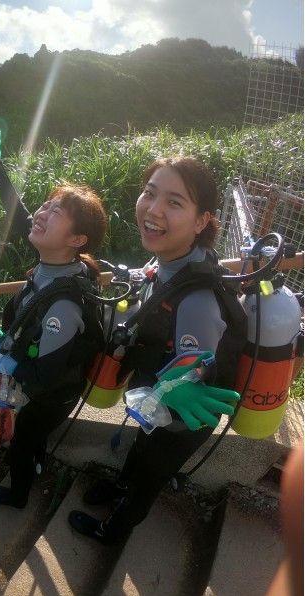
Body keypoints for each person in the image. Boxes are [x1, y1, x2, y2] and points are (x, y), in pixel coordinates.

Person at [68, 156, 243, 544]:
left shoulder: (198, 299)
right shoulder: (170, 259)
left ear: (201, 222)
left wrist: (182, 384)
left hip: (185, 415)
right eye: (150, 193)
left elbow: (198, 372)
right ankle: (120, 487)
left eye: (174, 202)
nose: (153, 209)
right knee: (141, 448)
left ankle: (113, 529)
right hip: (157, 394)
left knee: (152, 472)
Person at [0, 129, 109, 509]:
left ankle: (17, 494)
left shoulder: (63, 306)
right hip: (50, 384)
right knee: (33, 439)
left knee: (25, 438)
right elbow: (21, 215)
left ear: (77, 239)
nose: (41, 214)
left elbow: (45, 378)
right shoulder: (58, 265)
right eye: (46, 206)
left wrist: (7, 358)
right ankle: (35, 461)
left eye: (55, 212)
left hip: (52, 395)